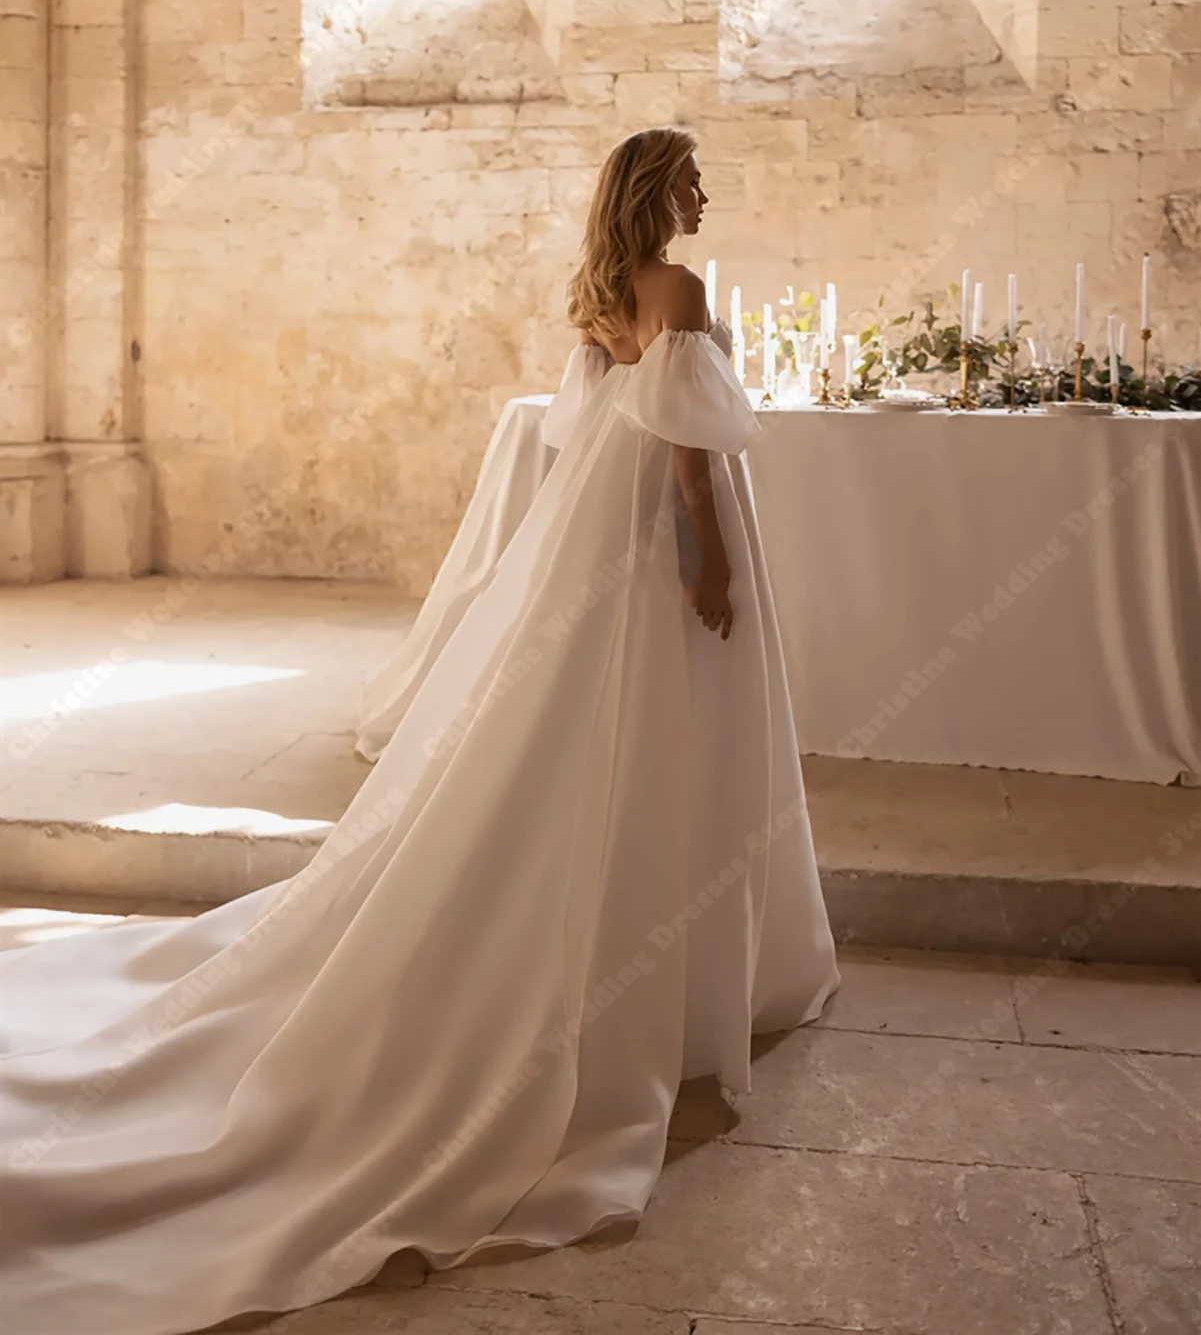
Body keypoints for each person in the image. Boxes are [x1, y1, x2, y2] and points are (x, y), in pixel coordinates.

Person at [0, 126, 838, 1335]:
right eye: (693, 176)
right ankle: (674, 974)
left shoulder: (602, 292)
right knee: (666, 742)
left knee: (590, 746)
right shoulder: (679, 288)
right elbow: (690, 452)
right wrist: (706, 564)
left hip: (595, 546)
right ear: (660, 189)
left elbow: (587, 434)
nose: (707, 191)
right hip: (658, 538)